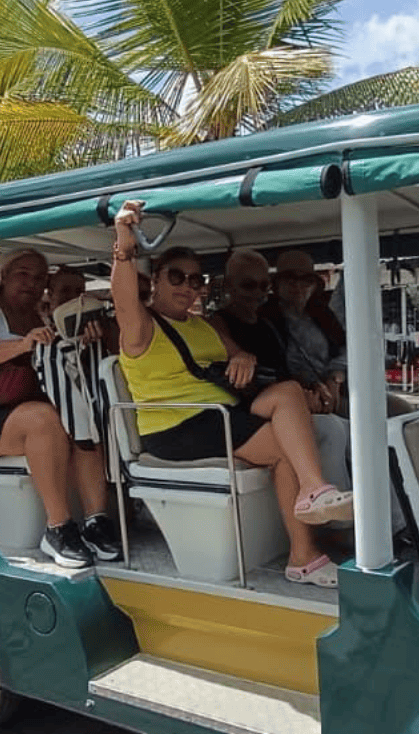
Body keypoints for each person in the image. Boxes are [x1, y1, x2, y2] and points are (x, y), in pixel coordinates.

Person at [110, 201, 353, 588]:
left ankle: (312, 495)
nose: (187, 287)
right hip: (176, 425)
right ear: (156, 279)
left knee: (289, 392)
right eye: (177, 277)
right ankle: (304, 552)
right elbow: (123, 298)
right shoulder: (141, 326)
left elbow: (237, 354)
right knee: (284, 448)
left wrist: (242, 357)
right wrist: (124, 244)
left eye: (196, 281)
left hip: (219, 413)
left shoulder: (202, 325)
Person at [0, 248, 121, 568]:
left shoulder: (41, 318)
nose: (31, 283)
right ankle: (58, 527)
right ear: (4, 276)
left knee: (84, 418)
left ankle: (97, 520)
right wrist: (21, 345)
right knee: (45, 420)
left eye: (40, 277)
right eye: (23, 274)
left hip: (25, 407)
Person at [211, 249, 355, 510]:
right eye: (248, 285)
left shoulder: (267, 325)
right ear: (230, 286)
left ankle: (388, 517)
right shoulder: (218, 324)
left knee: (358, 430)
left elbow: (286, 371)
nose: (257, 293)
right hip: (250, 409)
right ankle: (336, 521)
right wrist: (300, 397)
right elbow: (241, 378)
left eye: (263, 286)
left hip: (285, 400)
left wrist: (315, 389)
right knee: (331, 429)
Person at [265, 249, 413, 417]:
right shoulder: (268, 319)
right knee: (371, 417)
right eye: (290, 279)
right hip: (302, 396)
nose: (298, 286)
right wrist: (314, 386)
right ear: (277, 285)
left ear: (314, 286)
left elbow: (347, 348)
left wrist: (335, 377)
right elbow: (279, 367)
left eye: (306, 280)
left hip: (339, 386)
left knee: (402, 409)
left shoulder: (321, 314)